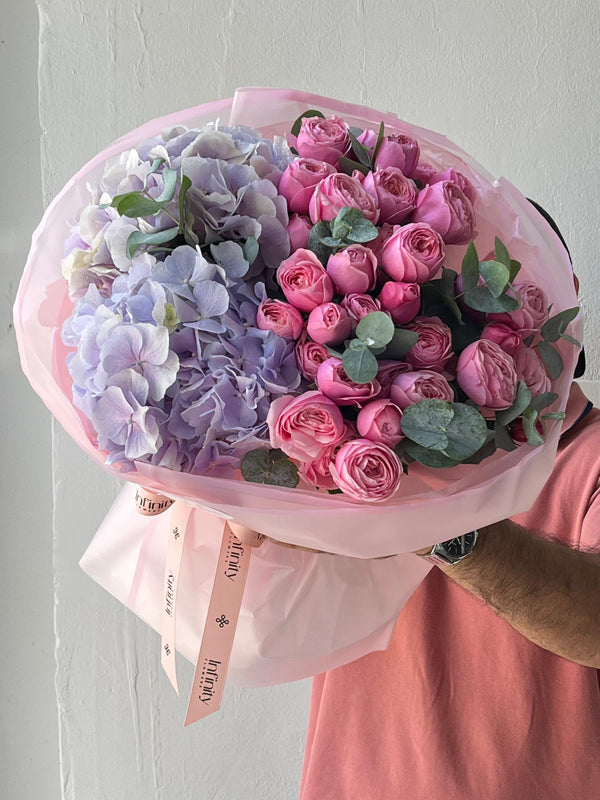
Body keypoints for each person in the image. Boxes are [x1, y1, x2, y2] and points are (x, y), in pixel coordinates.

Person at [297, 208, 600, 799]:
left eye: (500, 285)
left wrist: (442, 522)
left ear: (564, 294)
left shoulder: (590, 460)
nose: (475, 308)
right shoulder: (352, 446)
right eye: (453, 288)